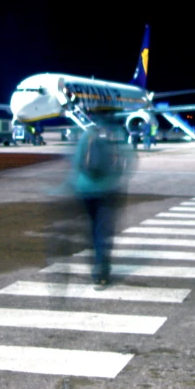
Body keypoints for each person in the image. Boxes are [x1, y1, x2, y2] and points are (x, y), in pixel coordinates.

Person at [69, 124, 133, 289]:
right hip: (108, 191)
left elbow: (77, 161)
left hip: (85, 190)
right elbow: (129, 161)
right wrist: (116, 179)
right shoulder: (117, 133)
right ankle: (101, 273)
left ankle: (95, 265)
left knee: (91, 230)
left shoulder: (88, 134)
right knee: (103, 232)